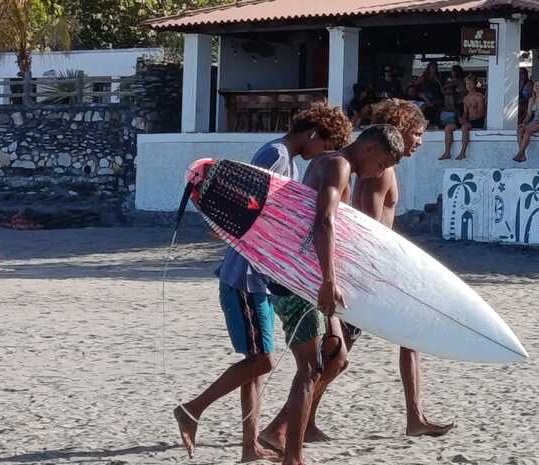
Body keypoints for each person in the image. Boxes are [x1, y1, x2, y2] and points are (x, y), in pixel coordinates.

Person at [172, 102, 352, 462]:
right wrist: (225, 229)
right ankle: (192, 409)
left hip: (263, 276)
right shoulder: (276, 153)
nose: (325, 154)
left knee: (257, 362)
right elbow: (244, 198)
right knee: (262, 362)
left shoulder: (291, 160)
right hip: (246, 275)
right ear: (314, 133)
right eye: (327, 143)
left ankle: (249, 447)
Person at [296, 99, 454, 441]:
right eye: (417, 132)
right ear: (398, 129)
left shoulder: (382, 165)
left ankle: (415, 416)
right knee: (337, 356)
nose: (420, 141)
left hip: (375, 268)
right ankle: (295, 423)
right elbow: (366, 223)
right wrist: (381, 271)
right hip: (367, 271)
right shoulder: (378, 169)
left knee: (406, 337)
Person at [259, 125, 404, 465]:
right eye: (381, 163)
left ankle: (278, 434)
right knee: (310, 368)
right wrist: (328, 280)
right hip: (302, 279)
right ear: (368, 149)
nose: (380, 173)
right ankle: (292, 456)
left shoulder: (333, 163)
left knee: (335, 359)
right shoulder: (337, 165)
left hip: (313, 276)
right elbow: (323, 222)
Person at [439, 75, 486, 161]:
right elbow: (465, 113)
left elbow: (481, 113)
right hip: (468, 121)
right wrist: (462, 119)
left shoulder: (479, 97)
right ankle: (447, 152)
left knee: (464, 127)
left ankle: (463, 152)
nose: (468, 86)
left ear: (474, 84)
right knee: (448, 127)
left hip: (477, 121)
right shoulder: (466, 98)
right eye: (467, 84)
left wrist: (467, 121)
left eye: (470, 84)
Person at [514, 81, 539, 163]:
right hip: (534, 121)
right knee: (520, 129)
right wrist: (524, 123)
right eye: (535, 85)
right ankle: (522, 154)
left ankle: (520, 153)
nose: (537, 87)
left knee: (528, 130)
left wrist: (536, 122)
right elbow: (528, 115)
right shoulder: (532, 99)